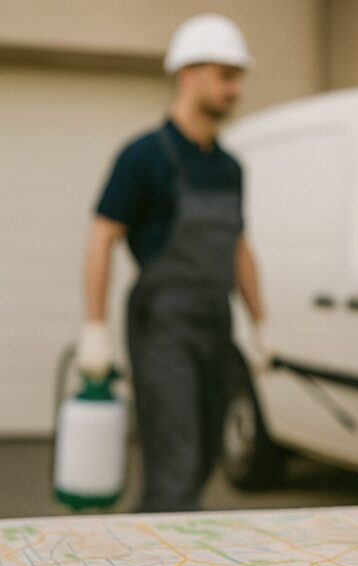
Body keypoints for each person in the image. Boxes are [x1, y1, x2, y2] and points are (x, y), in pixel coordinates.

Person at [76, 14, 271, 512]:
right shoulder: (143, 157)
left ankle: (152, 554)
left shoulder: (229, 168)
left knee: (205, 457)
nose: (236, 88)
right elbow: (102, 237)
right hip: (162, 327)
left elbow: (238, 248)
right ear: (188, 75)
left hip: (214, 324)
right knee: (176, 464)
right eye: (226, 75)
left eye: (238, 76)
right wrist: (94, 327)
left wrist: (260, 323)